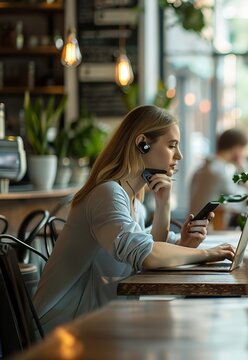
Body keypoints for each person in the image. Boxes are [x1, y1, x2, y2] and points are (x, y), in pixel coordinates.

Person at [33, 106, 235, 333]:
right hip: (64, 329)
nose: (179, 156)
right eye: (171, 146)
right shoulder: (107, 194)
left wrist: (165, 208)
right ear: (142, 143)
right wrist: (206, 254)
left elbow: (149, 250)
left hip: (98, 320)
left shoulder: (132, 201)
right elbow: (147, 257)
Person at [189, 128, 248, 227]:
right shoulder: (220, 172)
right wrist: (244, 168)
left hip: (194, 227)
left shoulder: (203, 168)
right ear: (237, 149)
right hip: (207, 231)